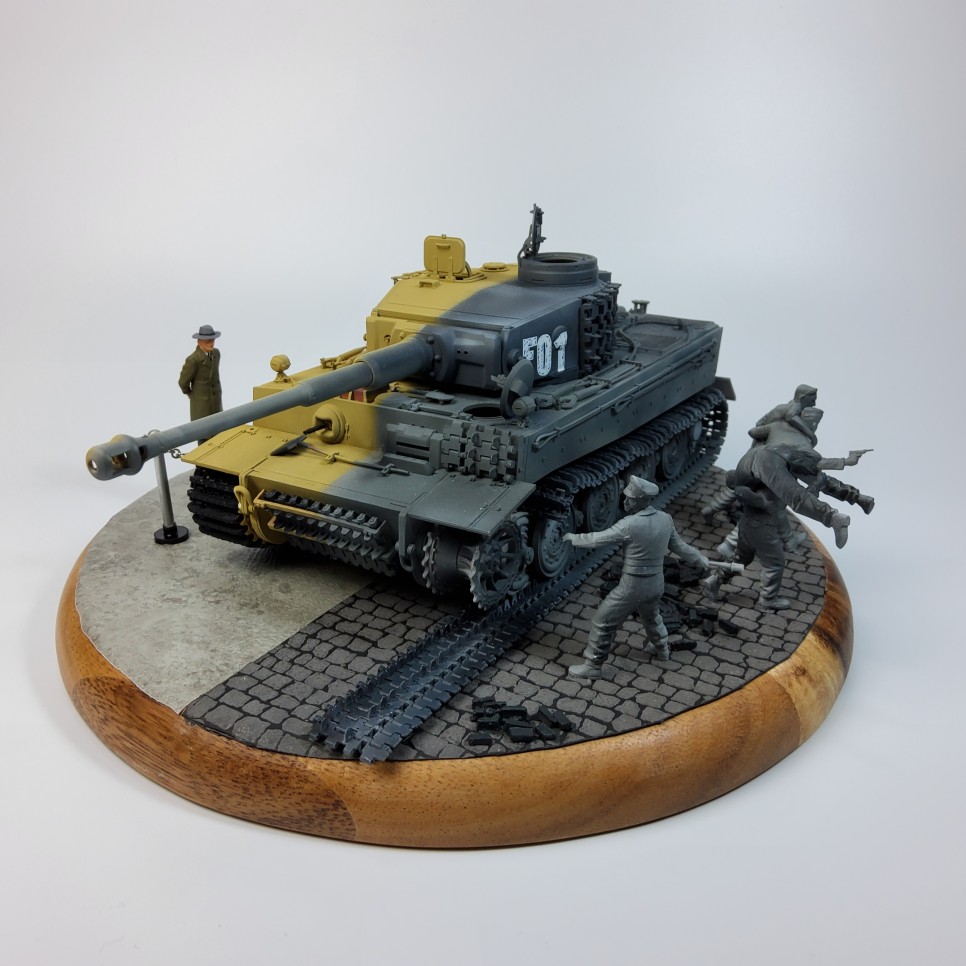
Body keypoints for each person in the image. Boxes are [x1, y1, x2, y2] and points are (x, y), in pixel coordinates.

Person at [563, 476, 710, 679]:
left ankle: (593, 665)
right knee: (652, 616)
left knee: (602, 621)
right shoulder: (665, 519)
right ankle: (662, 649)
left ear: (641, 500)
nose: (625, 502)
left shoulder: (630, 524)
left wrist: (573, 538)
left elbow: (598, 539)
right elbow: (681, 547)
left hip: (632, 585)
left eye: (630, 499)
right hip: (656, 583)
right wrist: (699, 558)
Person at [179, 325, 223, 420]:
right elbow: (183, 382)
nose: (211, 343)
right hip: (201, 407)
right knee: (203, 428)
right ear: (199, 342)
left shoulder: (216, 354)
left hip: (216, 404)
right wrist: (192, 395)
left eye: (213, 340)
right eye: (208, 341)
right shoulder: (193, 360)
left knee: (219, 425)